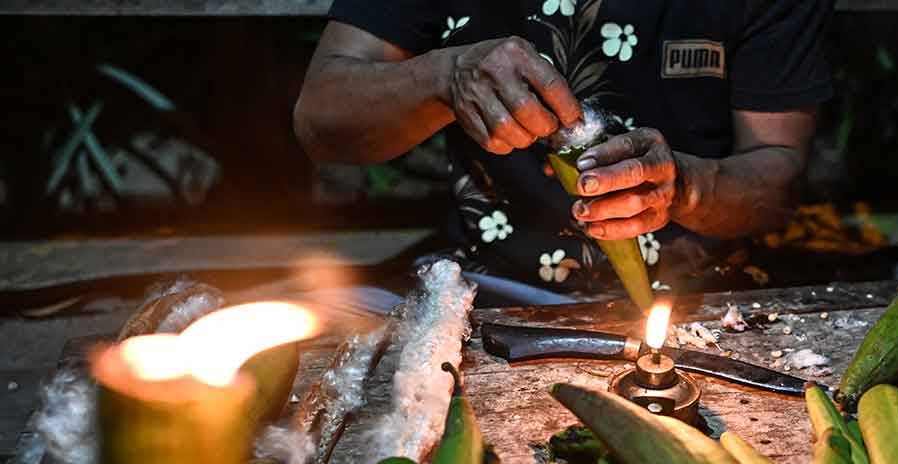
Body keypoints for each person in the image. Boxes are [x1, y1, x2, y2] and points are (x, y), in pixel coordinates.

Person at [295, 0, 834, 294]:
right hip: (488, 282)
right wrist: (445, 76)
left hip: (706, 294)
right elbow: (321, 118)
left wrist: (686, 187)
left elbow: (778, 173)